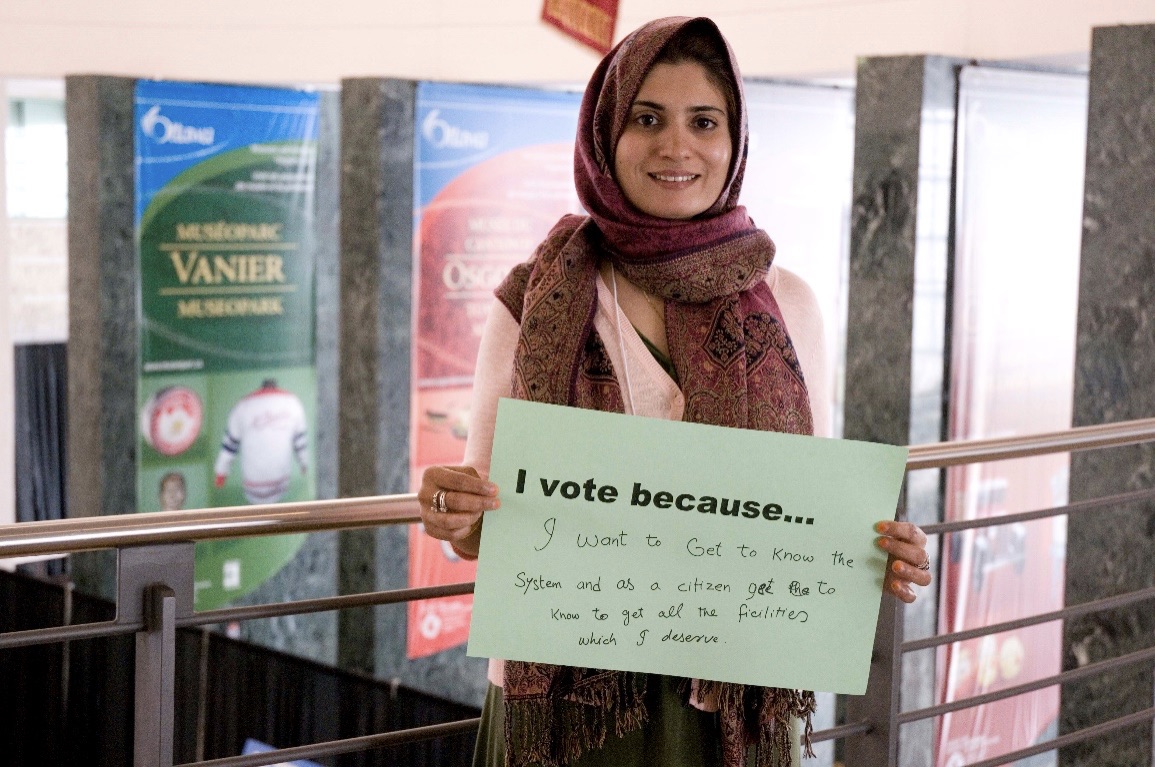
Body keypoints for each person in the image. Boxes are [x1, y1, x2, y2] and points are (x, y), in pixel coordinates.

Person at [418, 16, 932, 767]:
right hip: (574, 704)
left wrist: (879, 553)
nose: (675, 146)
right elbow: (486, 525)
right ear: (604, 135)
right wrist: (454, 509)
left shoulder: (789, 303)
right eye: (647, 119)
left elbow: (804, 512)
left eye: (703, 121)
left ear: (735, 141)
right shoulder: (535, 299)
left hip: (733, 695)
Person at [213, 378, 309, 504]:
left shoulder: (243, 405)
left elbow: (229, 445)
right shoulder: (292, 403)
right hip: (277, 484)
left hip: (255, 485)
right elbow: (300, 440)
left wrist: (221, 473)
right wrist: (304, 463)